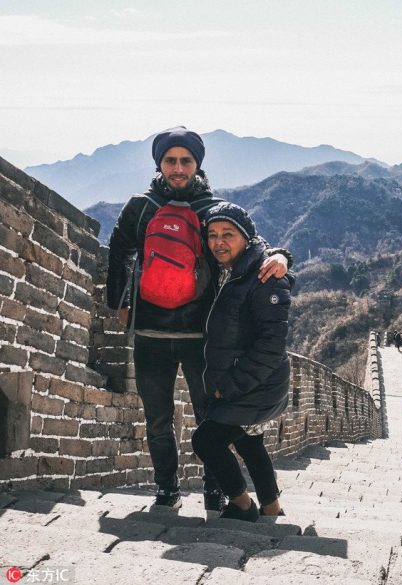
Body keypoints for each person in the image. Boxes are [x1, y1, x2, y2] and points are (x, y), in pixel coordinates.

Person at [106, 127, 291, 510]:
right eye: (170, 160)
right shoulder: (140, 207)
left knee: (209, 420)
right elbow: (119, 249)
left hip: (200, 336)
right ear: (159, 163)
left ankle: (215, 489)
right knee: (157, 418)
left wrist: (282, 257)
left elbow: (250, 246)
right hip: (149, 332)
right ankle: (167, 488)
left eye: (185, 161)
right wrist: (118, 301)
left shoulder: (211, 209)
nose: (177, 168)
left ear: (197, 165)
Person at [191, 202, 291, 521]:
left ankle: (241, 505)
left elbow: (271, 346)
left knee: (206, 441)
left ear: (245, 238)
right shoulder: (226, 269)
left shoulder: (264, 276)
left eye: (228, 234)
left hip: (257, 383)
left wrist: (229, 387)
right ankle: (272, 508)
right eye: (213, 234)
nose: (219, 242)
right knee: (249, 442)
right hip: (246, 379)